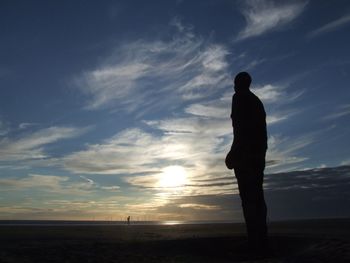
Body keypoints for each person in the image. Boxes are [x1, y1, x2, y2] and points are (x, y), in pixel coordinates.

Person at [225, 72, 268, 252]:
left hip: (247, 156)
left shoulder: (240, 98)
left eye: (235, 83)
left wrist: (234, 153)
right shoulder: (256, 101)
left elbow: (242, 130)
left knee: (249, 198)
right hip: (257, 155)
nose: (234, 86)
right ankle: (259, 240)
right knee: (256, 197)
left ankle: (255, 242)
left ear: (239, 84)